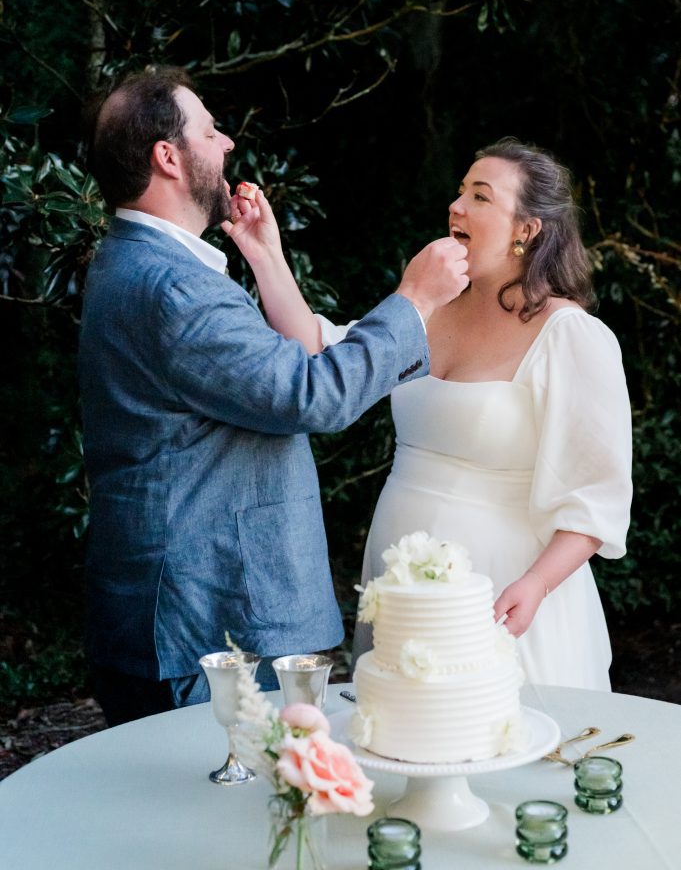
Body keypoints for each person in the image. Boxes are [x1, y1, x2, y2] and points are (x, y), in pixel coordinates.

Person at [78, 66, 469, 725]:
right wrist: (414, 301)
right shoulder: (176, 289)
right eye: (209, 130)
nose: (226, 143)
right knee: (219, 817)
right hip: (204, 627)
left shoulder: (126, 259)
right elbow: (311, 396)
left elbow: (271, 373)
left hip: (168, 615)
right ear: (167, 158)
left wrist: (266, 257)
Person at [237, 137, 632, 689]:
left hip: (504, 588)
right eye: (459, 192)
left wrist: (538, 585)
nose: (457, 206)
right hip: (399, 579)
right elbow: (320, 351)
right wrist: (264, 253)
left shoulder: (571, 335)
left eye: (480, 196)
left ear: (527, 229)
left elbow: (596, 498)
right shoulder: (428, 305)